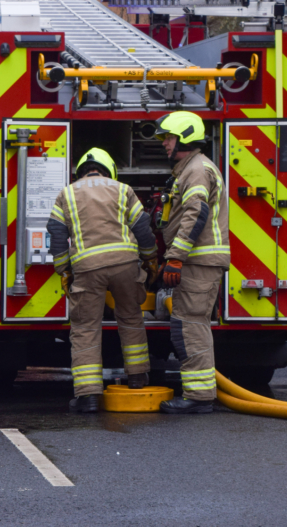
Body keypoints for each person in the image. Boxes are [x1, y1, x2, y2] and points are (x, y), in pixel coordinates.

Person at [46, 148, 158, 413]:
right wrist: (150, 259)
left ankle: (89, 395)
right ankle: (138, 378)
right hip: (125, 265)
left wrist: (64, 269)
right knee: (131, 318)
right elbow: (142, 226)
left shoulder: (67, 193)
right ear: (109, 169)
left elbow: (56, 231)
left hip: (87, 267)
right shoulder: (122, 189)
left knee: (85, 327)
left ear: (82, 171)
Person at [153, 111, 230, 414]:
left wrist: (175, 258)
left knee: (190, 326)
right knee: (187, 325)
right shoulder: (190, 169)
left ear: (184, 137)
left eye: (169, 138)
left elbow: (195, 214)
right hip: (198, 261)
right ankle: (199, 394)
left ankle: (198, 397)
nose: (165, 144)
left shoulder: (196, 171)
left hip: (199, 261)